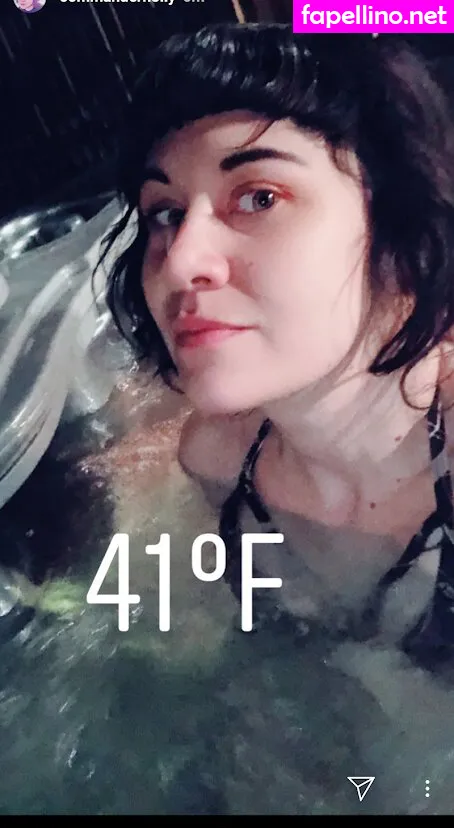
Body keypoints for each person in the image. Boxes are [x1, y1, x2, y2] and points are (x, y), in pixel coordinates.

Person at [101, 25, 454, 668]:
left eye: (259, 197)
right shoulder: (216, 463)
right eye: (166, 213)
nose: (179, 261)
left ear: (401, 237)